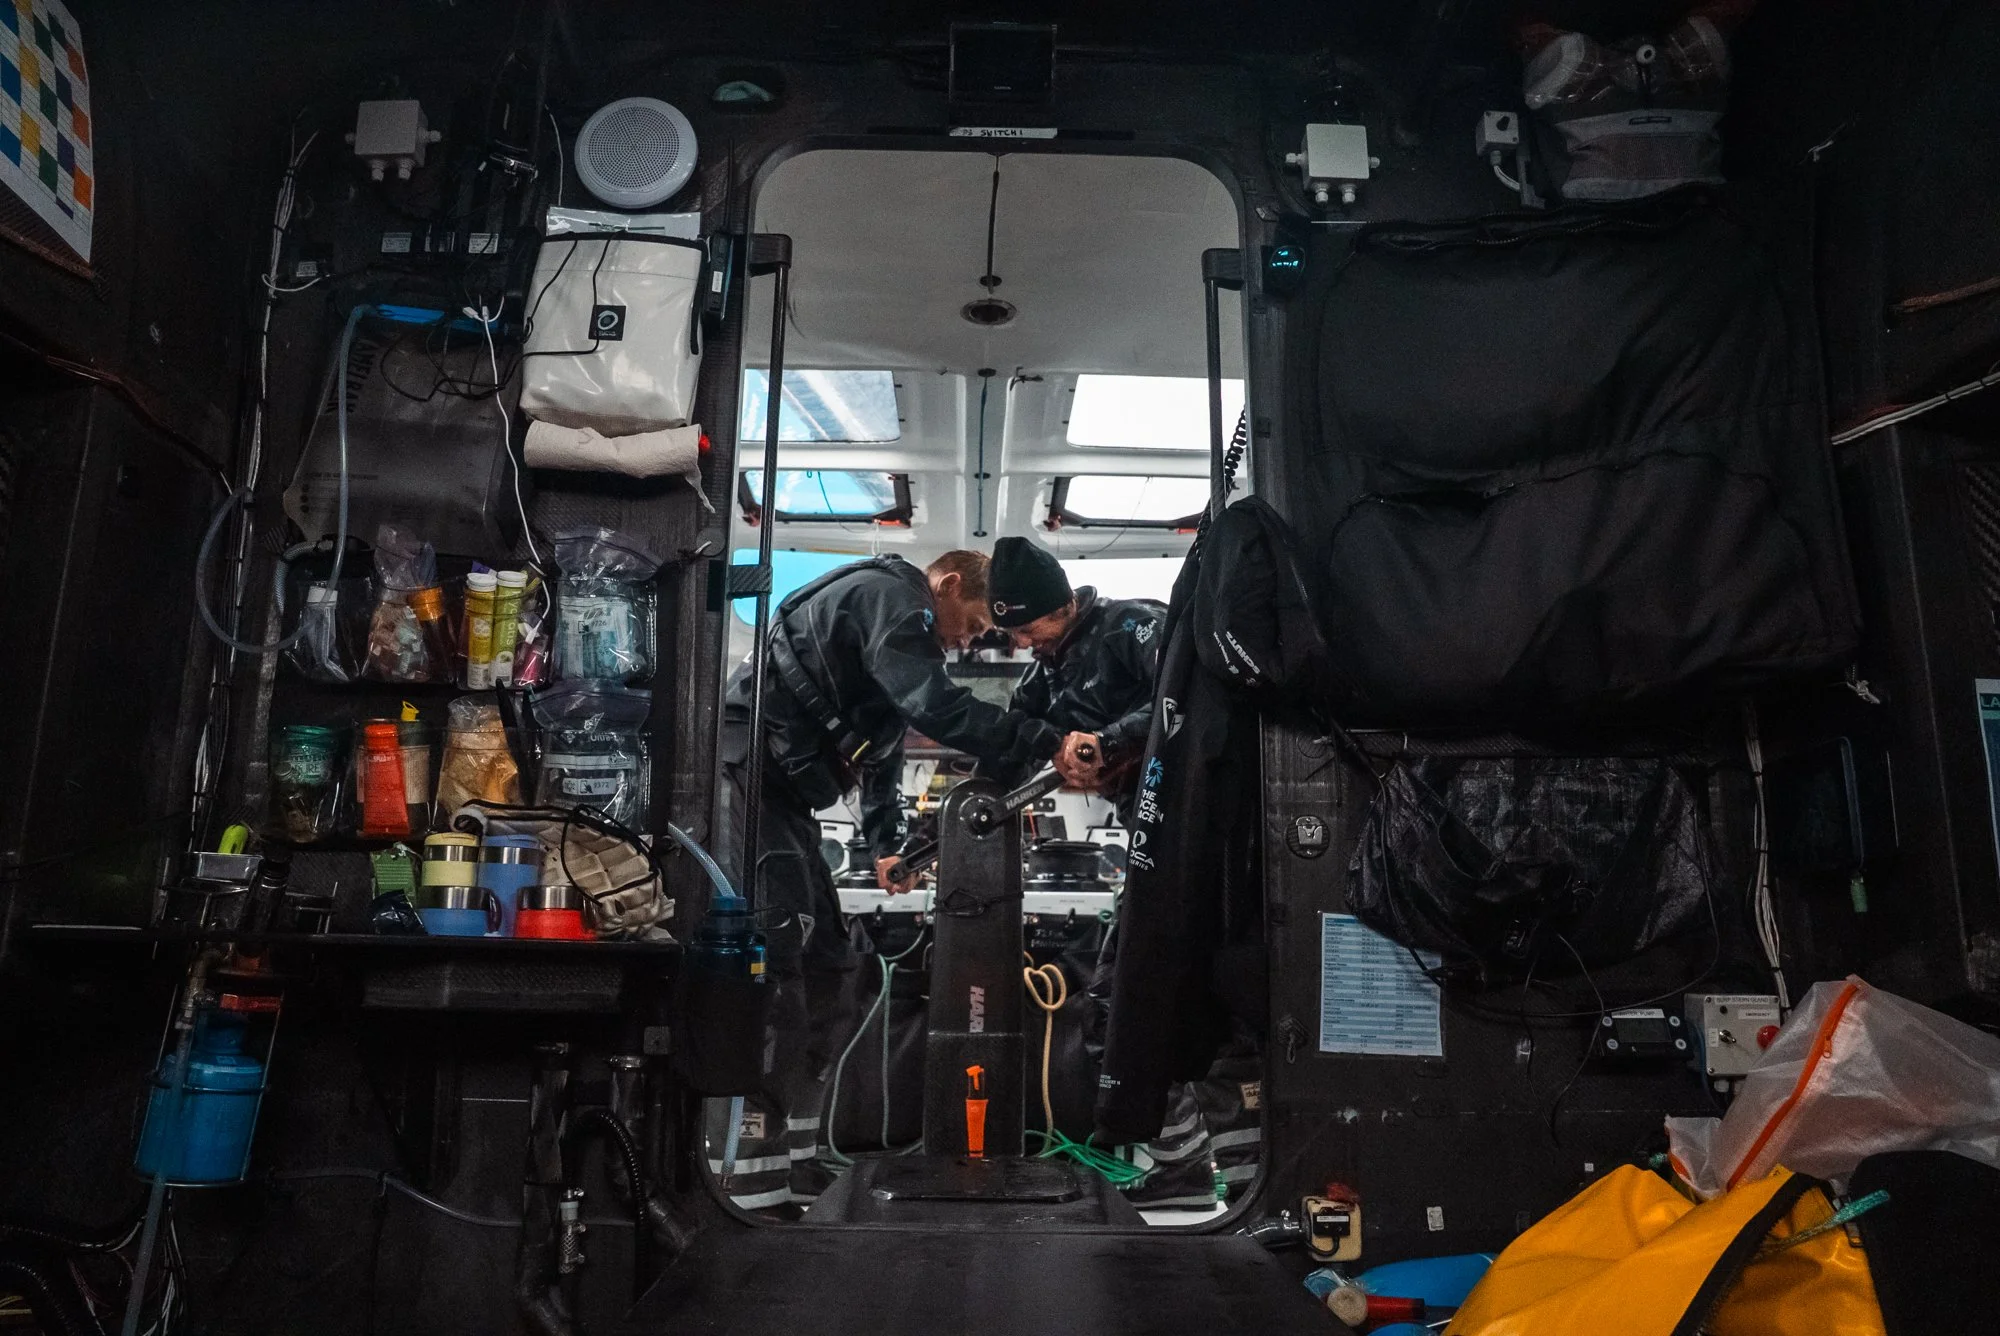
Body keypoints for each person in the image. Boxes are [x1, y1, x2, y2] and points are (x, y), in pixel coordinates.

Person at [712, 548, 1097, 1212]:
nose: (967, 641)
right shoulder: (889, 598)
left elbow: (881, 755)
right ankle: (749, 1176)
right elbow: (934, 705)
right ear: (947, 586)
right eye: (973, 625)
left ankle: (798, 1156)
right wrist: (1043, 739)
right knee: (778, 976)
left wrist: (891, 847)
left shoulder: (896, 644)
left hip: (787, 805)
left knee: (835, 970)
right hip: (745, 784)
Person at [984, 536, 1165, 816]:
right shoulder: (1038, 684)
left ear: (1064, 608)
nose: (1020, 644)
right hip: (1137, 807)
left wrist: (1107, 742)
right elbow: (1004, 765)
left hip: (1187, 787)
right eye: (1009, 634)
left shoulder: (1132, 625)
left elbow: (1186, 695)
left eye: (1028, 629)